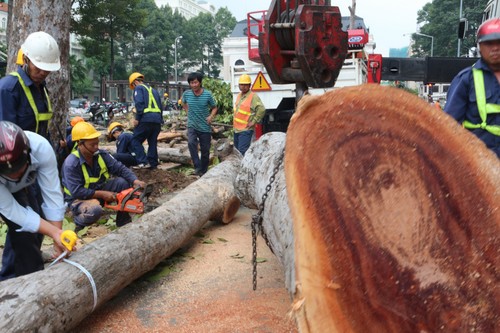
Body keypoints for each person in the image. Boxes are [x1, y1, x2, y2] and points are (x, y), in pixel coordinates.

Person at [0, 121, 69, 280]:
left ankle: (18, 269)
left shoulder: (40, 147)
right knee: (23, 231)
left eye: (18, 166)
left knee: (39, 220)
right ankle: (23, 280)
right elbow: (15, 213)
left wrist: (58, 237)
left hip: (28, 183)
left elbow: (52, 194)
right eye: (7, 171)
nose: (14, 174)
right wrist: (55, 232)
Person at [61, 121, 146, 231]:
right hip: (78, 198)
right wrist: (102, 194)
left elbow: (120, 168)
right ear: (80, 144)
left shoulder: (101, 155)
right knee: (94, 211)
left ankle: (123, 222)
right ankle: (78, 227)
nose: (96, 147)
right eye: (92, 145)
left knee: (123, 183)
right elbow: (76, 191)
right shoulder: (71, 163)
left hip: (97, 190)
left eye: (97, 143)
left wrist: (135, 181)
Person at [444, 18, 500, 158]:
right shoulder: (466, 79)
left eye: (499, 42)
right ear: (479, 46)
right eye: (488, 43)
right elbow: (449, 126)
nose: (495, 48)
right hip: (479, 162)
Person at [0, 31, 61, 141]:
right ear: (26, 60)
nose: (43, 73)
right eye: (38, 67)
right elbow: (6, 138)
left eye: (47, 69)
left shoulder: (42, 88)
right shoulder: (8, 89)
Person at [182, 72, 218, 176]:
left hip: (204, 126)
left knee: (205, 150)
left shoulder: (207, 94)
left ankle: (204, 170)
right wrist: (187, 111)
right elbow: (183, 103)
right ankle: (197, 167)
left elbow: (214, 107)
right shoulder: (187, 94)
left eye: (195, 82)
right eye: (192, 83)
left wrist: (211, 116)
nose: (194, 85)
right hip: (192, 124)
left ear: (200, 82)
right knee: (191, 143)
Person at [128, 72, 163, 170]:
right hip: (157, 120)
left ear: (135, 82)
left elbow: (139, 103)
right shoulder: (154, 90)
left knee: (135, 140)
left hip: (145, 119)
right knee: (152, 141)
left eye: (133, 85)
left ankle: (143, 162)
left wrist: (137, 119)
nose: (133, 87)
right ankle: (153, 163)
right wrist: (160, 120)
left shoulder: (138, 88)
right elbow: (160, 106)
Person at [233, 74, 266, 155]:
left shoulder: (253, 96)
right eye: (241, 84)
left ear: (249, 85)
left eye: (245, 85)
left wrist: (254, 121)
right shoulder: (239, 95)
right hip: (237, 129)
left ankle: (244, 167)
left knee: (242, 151)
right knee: (237, 152)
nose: (243, 86)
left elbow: (261, 109)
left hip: (245, 130)